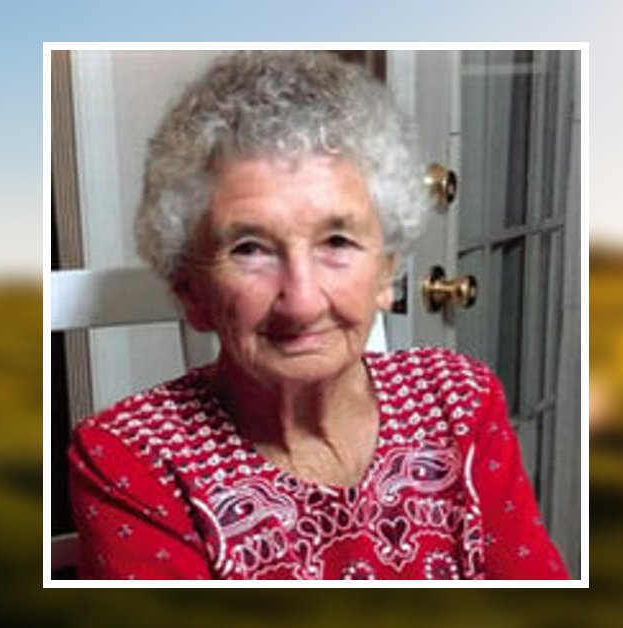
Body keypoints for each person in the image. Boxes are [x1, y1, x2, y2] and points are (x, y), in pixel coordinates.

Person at [69, 51, 567, 580]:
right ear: (190, 291)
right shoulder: (131, 458)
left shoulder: (459, 400)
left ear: (386, 273)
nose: (303, 301)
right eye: (249, 249)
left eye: (337, 241)